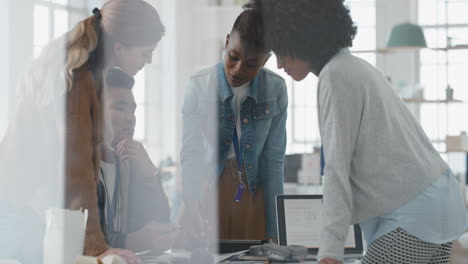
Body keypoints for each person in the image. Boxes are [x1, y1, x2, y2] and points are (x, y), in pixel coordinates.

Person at [252, 0, 468, 263]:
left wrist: (329, 253)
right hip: (440, 203)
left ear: (299, 41)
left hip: (414, 214)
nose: (278, 64)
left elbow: (336, 170)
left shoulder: (336, 75)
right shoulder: (357, 67)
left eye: (281, 52)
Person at [0, 0, 165, 262]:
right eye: (146, 52)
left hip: (24, 208)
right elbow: (76, 173)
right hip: (17, 212)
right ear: (120, 47)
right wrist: (98, 248)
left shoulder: (87, 69)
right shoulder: (78, 76)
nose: (150, 60)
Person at [180, 5, 288, 245]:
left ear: (266, 60)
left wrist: (275, 226)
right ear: (227, 42)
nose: (238, 69)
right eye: (233, 56)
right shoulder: (198, 86)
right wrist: (191, 202)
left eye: (251, 64)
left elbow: (273, 161)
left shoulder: (276, 89)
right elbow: (191, 154)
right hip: (207, 191)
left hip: (253, 191)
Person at [98, 68, 177, 255]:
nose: (130, 118)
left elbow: (159, 222)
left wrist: (150, 174)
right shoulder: (80, 167)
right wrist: (130, 242)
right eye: (119, 108)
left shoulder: (128, 162)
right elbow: (84, 237)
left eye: (132, 110)